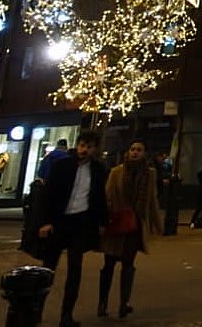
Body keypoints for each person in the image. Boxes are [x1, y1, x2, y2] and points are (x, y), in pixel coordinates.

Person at [39, 128, 108, 327]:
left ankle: (66, 315)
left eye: (89, 147)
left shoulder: (98, 170)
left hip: (80, 223)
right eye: (82, 145)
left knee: (75, 271)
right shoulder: (62, 166)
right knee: (48, 267)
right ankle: (37, 309)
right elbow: (49, 194)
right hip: (59, 221)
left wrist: (102, 222)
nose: (84, 150)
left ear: (95, 149)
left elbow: (98, 197)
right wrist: (45, 221)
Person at [99, 139, 164, 319]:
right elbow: (108, 196)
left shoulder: (149, 174)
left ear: (144, 153)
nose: (135, 152)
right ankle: (102, 302)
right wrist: (104, 221)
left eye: (139, 150)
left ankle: (123, 303)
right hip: (117, 223)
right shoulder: (116, 172)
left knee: (128, 265)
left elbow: (152, 199)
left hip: (135, 225)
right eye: (133, 149)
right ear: (128, 152)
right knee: (109, 264)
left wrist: (158, 224)